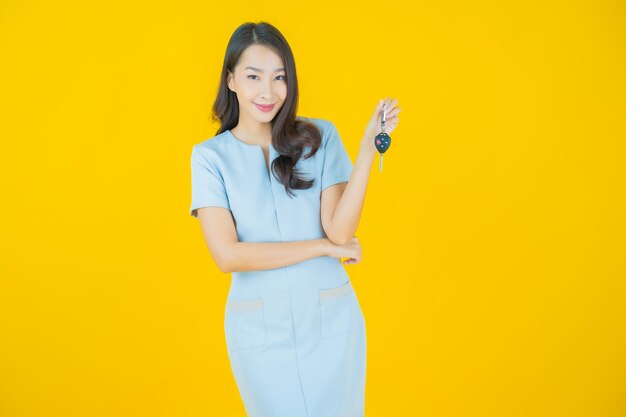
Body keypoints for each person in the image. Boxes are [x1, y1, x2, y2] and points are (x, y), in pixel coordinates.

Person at [189, 21, 400, 417]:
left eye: (279, 77)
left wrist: (368, 151)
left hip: (332, 319)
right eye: (254, 77)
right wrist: (321, 247)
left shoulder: (320, 137)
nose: (268, 92)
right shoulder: (209, 158)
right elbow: (228, 256)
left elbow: (340, 229)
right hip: (257, 328)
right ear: (231, 80)